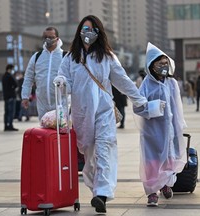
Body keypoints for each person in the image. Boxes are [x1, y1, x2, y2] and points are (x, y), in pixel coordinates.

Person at [53, 15, 148, 213]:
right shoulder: (70, 58)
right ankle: (97, 189)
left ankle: (102, 194)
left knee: (105, 150)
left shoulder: (107, 57)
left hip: (104, 111)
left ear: (99, 33)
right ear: (79, 32)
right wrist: (61, 82)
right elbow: (66, 82)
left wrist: (139, 100)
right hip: (81, 114)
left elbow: (122, 80)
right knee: (89, 156)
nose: (88, 33)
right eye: (85, 29)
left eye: (92, 30)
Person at [133, 42, 187, 207]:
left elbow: (177, 106)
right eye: (160, 63)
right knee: (152, 163)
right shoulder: (146, 84)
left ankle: (164, 185)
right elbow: (138, 107)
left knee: (169, 160)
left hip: (169, 130)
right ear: (151, 65)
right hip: (152, 132)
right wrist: (153, 107)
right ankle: (151, 193)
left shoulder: (171, 83)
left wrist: (179, 125)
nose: (164, 66)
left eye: (165, 63)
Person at [21, 26, 65, 120]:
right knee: (45, 131)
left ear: (57, 38)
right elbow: (28, 77)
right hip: (42, 104)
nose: (48, 39)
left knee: (61, 132)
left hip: (61, 104)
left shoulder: (65, 56)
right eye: (45, 37)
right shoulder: (37, 57)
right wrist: (25, 96)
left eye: (51, 37)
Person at [2, 64, 19, 131]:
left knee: (6, 112)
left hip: (6, 96)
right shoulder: (9, 76)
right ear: (9, 69)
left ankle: (6, 125)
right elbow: (16, 84)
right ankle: (10, 125)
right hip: (11, 96)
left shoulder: (4, 76)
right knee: (11, 112)